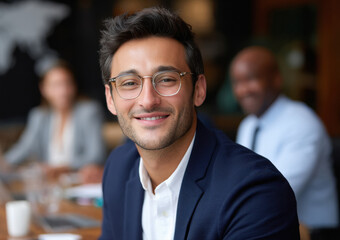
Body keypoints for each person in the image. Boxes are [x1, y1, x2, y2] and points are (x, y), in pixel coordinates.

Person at [98, 7, 299, 240]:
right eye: (129, 83)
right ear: (110, 99)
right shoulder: (118, 169)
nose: (148, 100)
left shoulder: (256, 192)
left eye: (166, 79)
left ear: (199, 90)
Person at [230, 46, 339, 237]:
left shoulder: (302, 123)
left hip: (313, 232)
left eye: (252, 79)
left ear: (276, 79)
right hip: (266, 225)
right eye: (237, 82)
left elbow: (275, 193)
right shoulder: (248, 125)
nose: (243, 90)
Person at [5, 61, 105, 183]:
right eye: (56, 85)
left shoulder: (88, 112)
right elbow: (24, 148)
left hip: (77, 181)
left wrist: (62, 168)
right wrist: (1, 163)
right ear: (44, 89)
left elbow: (95, 155)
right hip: (49, 182)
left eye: (67, 83)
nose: (63, 91)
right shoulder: (39, 116)